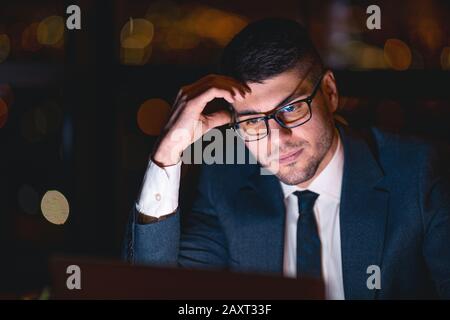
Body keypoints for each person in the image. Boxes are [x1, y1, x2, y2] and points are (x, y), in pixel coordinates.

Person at [123, 18, 450, 299]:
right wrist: (167, 152)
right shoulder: (225, 184)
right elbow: (156, 290)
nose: (276, 138)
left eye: (291, 109)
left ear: (330, 93)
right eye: (252, 121)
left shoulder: (418, 172)